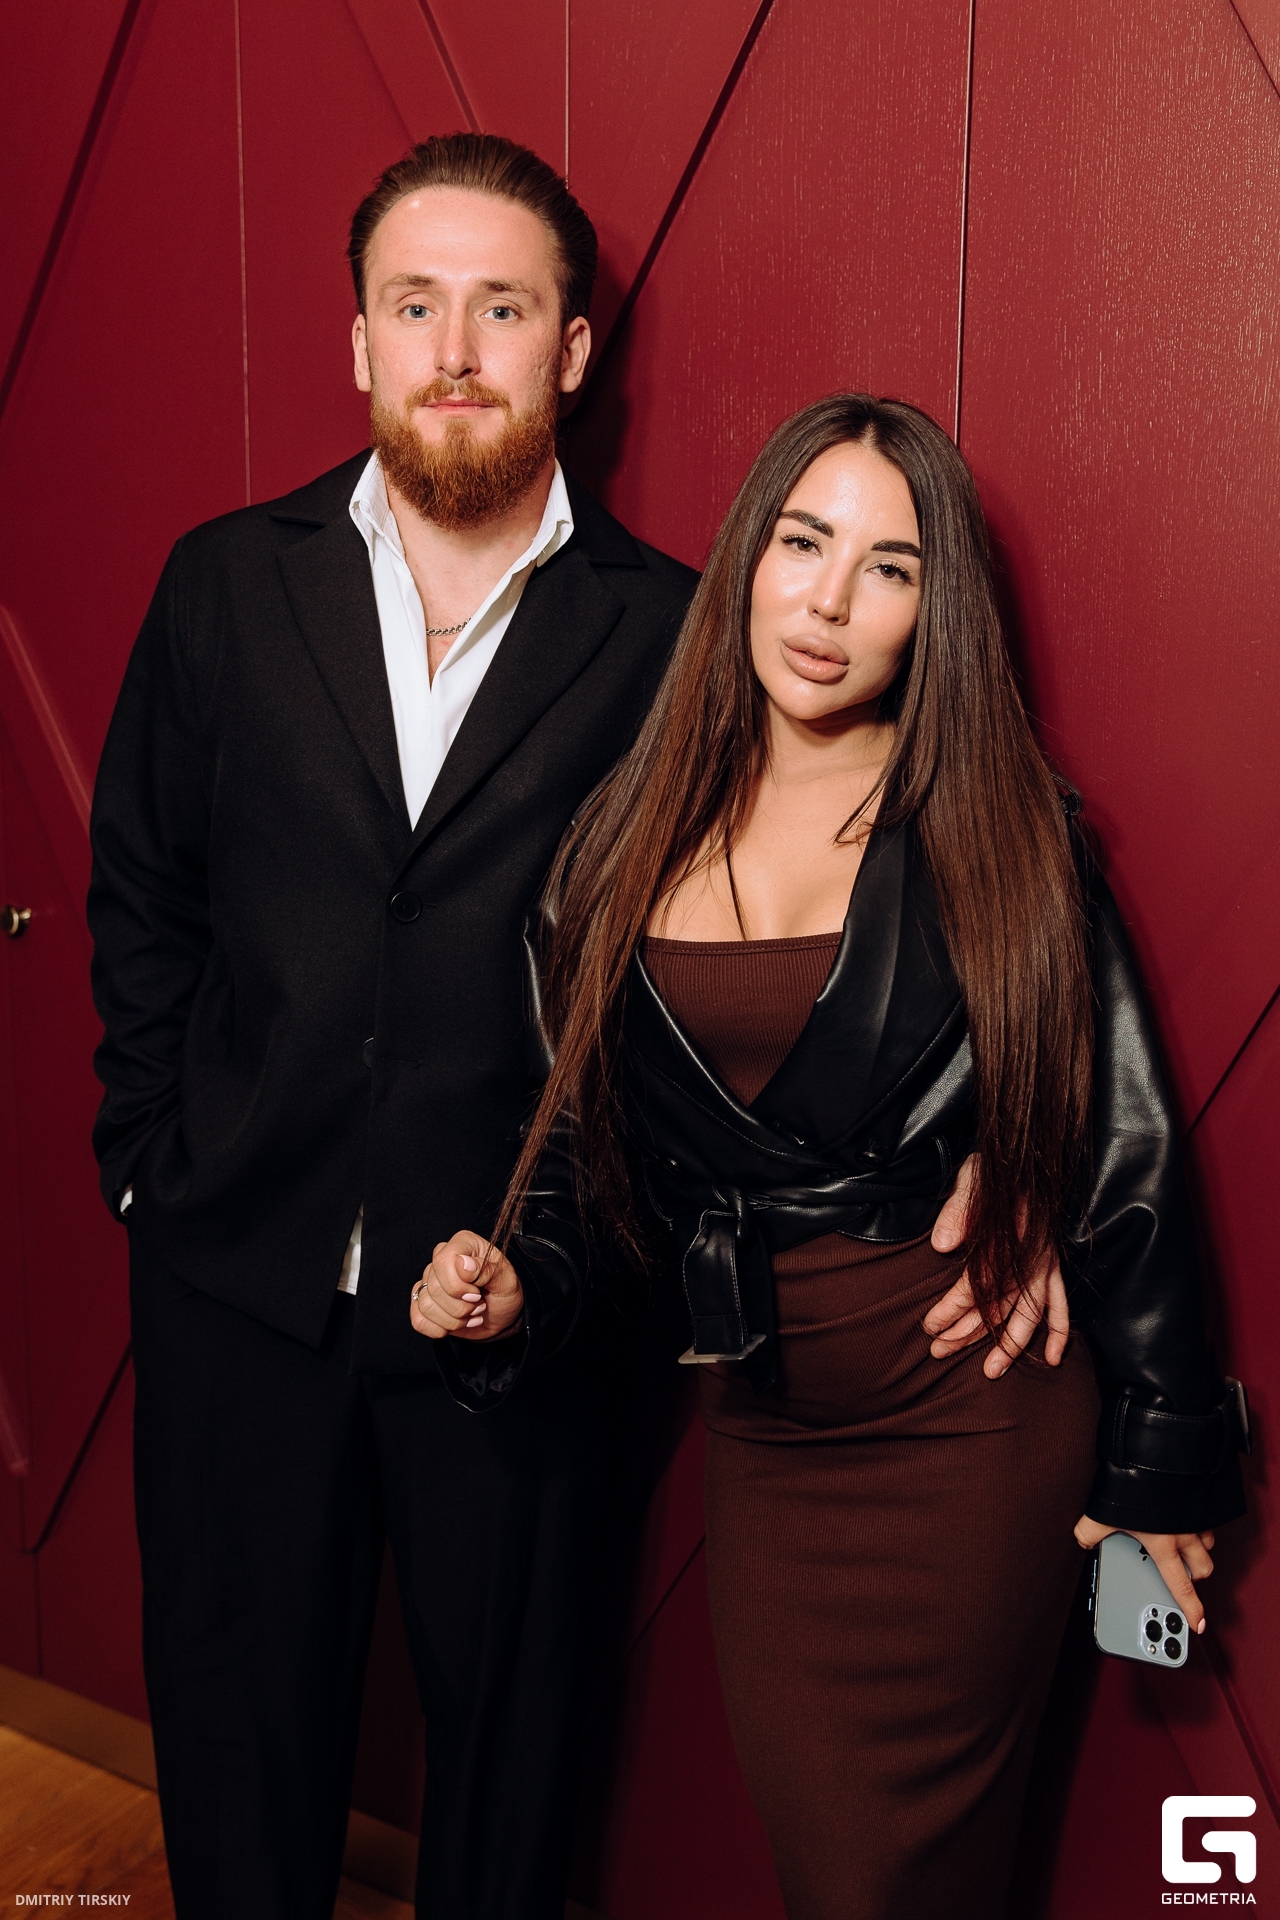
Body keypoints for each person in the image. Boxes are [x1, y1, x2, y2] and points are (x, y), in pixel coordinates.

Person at [415, 394, 1248, 1920]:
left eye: (890, 568)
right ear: (748, 558)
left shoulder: (1002, 830)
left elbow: (1123, 1146)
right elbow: (583, 1160)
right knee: (828, 1870)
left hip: (971, 1436)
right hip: (770, 1446)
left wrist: (1160, 1461)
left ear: (936, 614)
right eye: (803, 544)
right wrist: (512, 1280)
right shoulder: (618, 842)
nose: (828, 602)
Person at [87, 134, 701, 1920]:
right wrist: (151, 1162)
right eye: (415, 305)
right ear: (359, 339)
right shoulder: (224, 583)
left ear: (569, 350)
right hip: (237, 1279)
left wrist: (568, 1253)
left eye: (501, 309)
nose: (454, 349)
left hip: (516, 1304)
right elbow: (144, 889)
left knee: (514, 1768)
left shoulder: (671, 637)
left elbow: (700, 972)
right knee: (237, 1743)